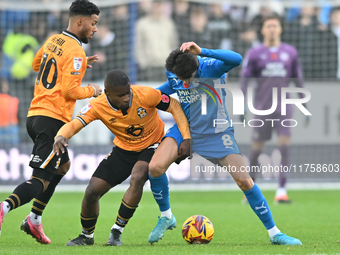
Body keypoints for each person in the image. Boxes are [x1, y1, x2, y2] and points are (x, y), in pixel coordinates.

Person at [146, 41, 302, 246]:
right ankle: (166, 216)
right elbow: (166, 89)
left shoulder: (211, 67)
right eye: (179, 78)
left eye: (187, 78)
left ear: (195, 67)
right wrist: (143, 97)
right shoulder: (175, 70)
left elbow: (237, 58)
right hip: (185, 130)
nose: (183, 82)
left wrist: (202, 51)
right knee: (155, 167)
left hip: (217, 133)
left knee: (244, 181)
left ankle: (275, 233)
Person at [0, 0, 101, 244]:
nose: (95, 28)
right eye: (93, 23)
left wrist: (79, 64)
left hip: (35, 115)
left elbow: (38, 64)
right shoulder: (75, 50)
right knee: (40, 180)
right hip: (53, 120)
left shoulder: (54, 39)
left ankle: (34, 220)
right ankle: (4, 208)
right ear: (80, 21)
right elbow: (70, 91)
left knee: (63, 167)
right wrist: (94, 90)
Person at [53, 69, 191, 246]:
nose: (127, 97)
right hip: (123, 149)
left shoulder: (145, 94)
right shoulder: (98, 105)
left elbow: (174, 105)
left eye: (128, 92)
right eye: (121, 95)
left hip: (152, 144)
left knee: (139, 174)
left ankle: (116, 232)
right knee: (92, 191)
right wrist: (60, 136)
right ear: (108, 93)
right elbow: (74, 124)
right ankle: (86, 236)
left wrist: (186, 138)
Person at [241, 14, 308, 203]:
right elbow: (245, 80)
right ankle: (251, 191)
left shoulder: (290, 52)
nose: (271, 29)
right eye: (268, 25)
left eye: (275, 25)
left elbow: (298, 79)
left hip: (284, 107)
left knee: (284, 146)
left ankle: (281, 191)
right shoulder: (254, 53)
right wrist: (241, 104)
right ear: (262, 30)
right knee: (256, 149)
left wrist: (304, 103)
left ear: (280, 29)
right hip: (262, 108)